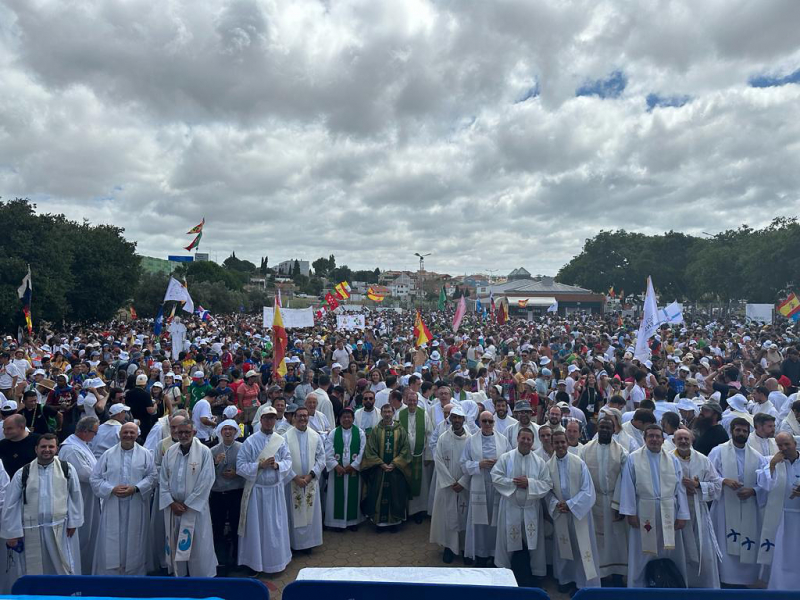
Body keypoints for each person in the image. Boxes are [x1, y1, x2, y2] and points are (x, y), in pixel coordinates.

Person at [0, 433, 84, 575]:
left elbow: (75, 495)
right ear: (36, 449)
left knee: (63, 566)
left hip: (60, 528)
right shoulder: (23, 473)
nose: (47, 450)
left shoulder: (67, 469)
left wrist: (73, 522)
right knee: (35, 568)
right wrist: (13, 532)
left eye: (51, 446)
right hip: (32, 529)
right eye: (43, 446)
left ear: (56, 449)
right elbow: (11, 503)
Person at [619, 424, 690, 588]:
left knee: (669, 550)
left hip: (669, 512)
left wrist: (682, 514)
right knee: (642, 552)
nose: (654, 439)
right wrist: (630, 513)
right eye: (650, 436)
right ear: (644, 439)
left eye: (658, 436)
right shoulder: (633, 458)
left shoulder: (672, 459)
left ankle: (671, 584)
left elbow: (680, 489)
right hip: (644, 511)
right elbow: (628, 486)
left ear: (663, 440)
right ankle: (639, 587)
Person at [708, 417, 769, 587]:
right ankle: (724, 578)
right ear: (732, 431)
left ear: (748, 433)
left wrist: (753, 491)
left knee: (747, 542)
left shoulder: (757, 457)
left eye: (744, 431)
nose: (741, 433)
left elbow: (764, 483)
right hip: (725, 507)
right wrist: (723, 481)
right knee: (723, 541)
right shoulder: (718, 452)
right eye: (738, 430)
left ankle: (746, 579)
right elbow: (709, 475)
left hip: (748, 505)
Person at [90, 421, 157, 575]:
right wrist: (111, 489)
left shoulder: (146, 454)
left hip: (136, 504)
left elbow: (153, 476)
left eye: (131, 432)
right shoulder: (108, 454)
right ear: (119, 434)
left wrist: (136, 488)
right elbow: (95, 478)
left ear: (137, 435)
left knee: (136, 538)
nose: (128, 435)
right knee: (111, 538)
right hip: (113, 503)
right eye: (125, 432)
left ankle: (135, 573)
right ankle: (111, 575)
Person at [491, 427, 552, 585]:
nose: (525, 441)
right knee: (507, 542)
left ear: (533, 442)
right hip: (511, 507)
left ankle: (536, 573)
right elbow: (495, 476)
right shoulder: (506, 458)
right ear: (517, 439)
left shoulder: (539, 462)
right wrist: (514, 483)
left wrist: (529, 483)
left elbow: (547, 483)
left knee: (534, 544)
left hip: (531, 509)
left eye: (529, 439)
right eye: (523, 438)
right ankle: (503, 572)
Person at [236, 407, 293, 576]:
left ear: (276, 420)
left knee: (275, 528)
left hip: (275, 492)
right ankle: (255, 564)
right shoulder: (251, 441)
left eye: (272, 418)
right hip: (256, 492)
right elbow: (240, 466)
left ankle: (276, 562)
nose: (269, 422)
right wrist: (259, 466)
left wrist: (277, 465)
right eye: (266, 418)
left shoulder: (280, 440)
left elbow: (288, 460)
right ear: (261, 420)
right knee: (256, 528)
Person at [159, 420, 217, 577]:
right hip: (174, 510)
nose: (183, 435)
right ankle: (181, 576)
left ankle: (200, 577)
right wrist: (171, 503)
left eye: (187, 432)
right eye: (180, 432)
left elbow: (207, 480)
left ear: (194, 433)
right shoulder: (170, 452)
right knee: (176, 541)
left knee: (198, 545)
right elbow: (163, 479)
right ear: (176, 434)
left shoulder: (204, 452)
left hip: (194, 510)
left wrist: (187, 504)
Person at [546, 430, 600, 593]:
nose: (560, 445)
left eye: (563, 442)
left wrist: (571, 504)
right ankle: (565, 578)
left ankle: (583, 584)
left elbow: (588, 490)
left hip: (579, 513)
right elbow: (547, 491)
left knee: (581, 548)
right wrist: (556, 504)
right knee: (564, 546)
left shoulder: (579, 463)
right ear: (552, 445)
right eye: (557, 443)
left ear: (567, 443)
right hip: (561, 513)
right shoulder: (548, 466)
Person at [581, 416, 628, 585]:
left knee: (617, 541)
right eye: (602, 427)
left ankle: (616, 576)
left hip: (615, 503)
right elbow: (582, 478)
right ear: (597, 429)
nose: (605, 430)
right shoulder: (586, 450)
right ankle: (599, 577)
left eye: (608, 428)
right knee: (597, 541)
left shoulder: (622, 451)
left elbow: (625, 479)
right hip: (595, 502)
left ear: (614, 430)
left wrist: (620, 504)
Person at [672, 427, 721, 588]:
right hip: (677, 513)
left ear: (692, 441)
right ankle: (682, 585)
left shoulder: (703, 460)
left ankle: (705, 586)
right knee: (681, 551)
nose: (684, 442)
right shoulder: (667, 459)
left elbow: (717, 486)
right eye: (680, 439)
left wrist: (698, 485)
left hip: (699, 511)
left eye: (686, 438)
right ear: (673, 442)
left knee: (704, 553)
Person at [462, 410, 510, 566]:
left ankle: (495, 554)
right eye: (484, 421)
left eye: (490, 421)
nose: (488, 424)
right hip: (479, 486)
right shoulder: (471, 441)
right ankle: (481, 554)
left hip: (497, 487)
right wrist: (478, 464)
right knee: (480, 522)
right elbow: (463, 464)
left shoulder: (502, 440)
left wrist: (500, 463)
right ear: (479, 423)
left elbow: (510, 461)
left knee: (496, 521)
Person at [757, 432, 800, 589]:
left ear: (794, 444)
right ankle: (779, 587)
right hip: (781, 517)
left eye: (786, 444)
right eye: (780, 445)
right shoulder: (771, 461)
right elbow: (764, 485)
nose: (783, 448)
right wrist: (773, 465)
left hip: (798, 515)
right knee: (781, 555)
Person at [58, 416, 100, 575]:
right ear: (84, 431)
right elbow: (85, 473)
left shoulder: (80, 445)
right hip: (80, 498)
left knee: (89, 537)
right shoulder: (71, 449)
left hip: (88, 497)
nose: (94, 437)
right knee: (82, 538)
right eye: (94, 433)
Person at [360, 404, 412, 531]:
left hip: (396, 470)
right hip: (379, 469)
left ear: (393, 413)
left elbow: (405, 449)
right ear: (381, 413)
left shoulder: (400, 430)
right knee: (377, 494)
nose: (387, 414)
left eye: (389, 411)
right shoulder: (376, 430)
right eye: (385, 412)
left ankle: (395, 522)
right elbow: (370, 449)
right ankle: (379, 523)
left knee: (396, 495)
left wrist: (395, 463)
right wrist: (381, 463)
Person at [429, 405, 470, 563]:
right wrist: (450, 482)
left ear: (464, 420)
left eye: (460, 417)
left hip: (464, 487)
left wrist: (463, 482)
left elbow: (472, 461)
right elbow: (438, 460)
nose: (457, 420)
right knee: (448, 516)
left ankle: (465, 547)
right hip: (447, 486)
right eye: (454, 417)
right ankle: (449, 547)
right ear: (450, 419)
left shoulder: (470, 439)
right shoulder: (443, 438)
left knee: (464, 516)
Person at [284, 406, 325, 552]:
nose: (303, 418)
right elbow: (282, 460)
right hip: (293, 482)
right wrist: (294, 477)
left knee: (310, 513)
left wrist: (311, 475)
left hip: (310, 481)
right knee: (294, 513)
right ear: (294, 417)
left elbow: (321, 458)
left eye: (305, 416)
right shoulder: (286, 437)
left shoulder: (315, 436)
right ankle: (295, 544)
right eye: (300, 416)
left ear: (308, 417)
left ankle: (309, 544)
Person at [210, 419, 244, 571]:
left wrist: (237, 473)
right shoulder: (213, 450)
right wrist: (215, 463)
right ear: (220, 432)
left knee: (237, 526)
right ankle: (220, 558)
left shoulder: (242, 448)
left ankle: (238, 557)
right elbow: (206, 473)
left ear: (236, 432)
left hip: (236, 492)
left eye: (231, 429)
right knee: (218, 526)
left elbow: (248, 468)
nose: (228, 432)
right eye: (225, 429)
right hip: (218, 494)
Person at [324, 406, 365, 531]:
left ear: (353, 419)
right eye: (344, 417)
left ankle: (353, 521)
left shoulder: (360, 433)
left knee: (354, 495)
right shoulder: (333, 433)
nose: (346, 419)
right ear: (339, 419)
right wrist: (336, 466)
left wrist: (353, 466)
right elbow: (327, 451)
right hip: (337, 471)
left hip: (353, 472)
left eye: (349, 417)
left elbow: (363, 451)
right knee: (336, 496)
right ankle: (337, 523)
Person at [396, 388, 433, 523]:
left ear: (418, 402)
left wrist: (428, 456)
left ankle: (418, 511)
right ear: (405, 400)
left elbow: (429, 435)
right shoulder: (399, 414)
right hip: (403, 457)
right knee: (404, 482)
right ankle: (405, 511)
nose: (412, 403)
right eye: (410, 400)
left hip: (420, 455)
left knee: (421, 485)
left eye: (414, 401)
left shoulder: (424, 414)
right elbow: (396, 435)